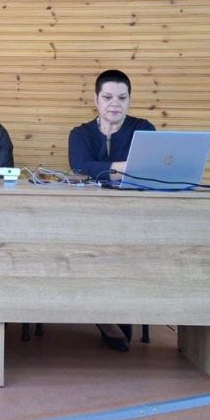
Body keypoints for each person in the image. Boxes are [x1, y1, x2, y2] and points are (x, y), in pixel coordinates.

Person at [68, 69, 155, 352]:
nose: (114, 104)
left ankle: (120, 310)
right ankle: (104, 317)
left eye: (122, 98)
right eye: (107, 97)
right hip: (88, 217)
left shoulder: (143, 129)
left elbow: (147, 170)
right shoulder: (80, 134)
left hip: (134, 217)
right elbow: (81, 167)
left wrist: (106, 169)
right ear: (96, 100)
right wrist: (125, 167)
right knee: (84, 252)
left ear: (129, 100)